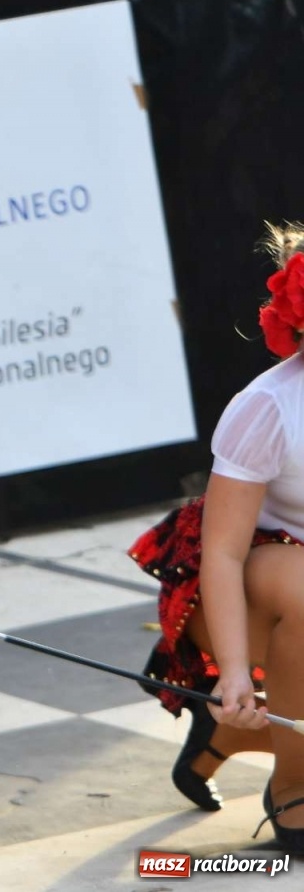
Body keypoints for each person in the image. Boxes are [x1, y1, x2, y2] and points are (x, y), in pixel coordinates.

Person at [129, 221, 304, 853]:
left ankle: (222, 736)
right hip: (237, 588)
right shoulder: (269, 407)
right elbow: (223, 552)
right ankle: (293, 787)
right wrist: (233, 674)